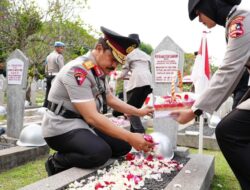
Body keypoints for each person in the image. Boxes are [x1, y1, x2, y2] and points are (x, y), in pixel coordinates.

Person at [42, 26, 155, 176]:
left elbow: (110, 99)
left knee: (123, 146)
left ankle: (89, 143)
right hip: (61, 127)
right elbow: (92, 117)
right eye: (113, 59)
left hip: (83, 124)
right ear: (99, 48)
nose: (115, 66)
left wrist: (139, 112)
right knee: (99, 153)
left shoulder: (98, 70)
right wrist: (131, 135)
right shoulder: (77, 70)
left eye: (118, 62)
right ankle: (55, 162)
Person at [171, 0, 250, 189]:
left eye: (198, 13)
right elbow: (237, 76)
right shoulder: (237, 20)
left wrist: (194, 111)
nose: (199, 20)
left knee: (228, 131)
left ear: (209, 5)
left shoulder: (240, 21)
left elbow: (228, 71)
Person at [116, 34, 152, 133]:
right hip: (148, 82)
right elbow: (145, 69)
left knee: (130, 110)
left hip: (137, 81)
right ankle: (134, 132)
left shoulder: (129, 54)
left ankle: (140, 131)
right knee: (136, 109)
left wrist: (117, 77)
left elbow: (124, 72)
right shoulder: (146, 55)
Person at [43, 41, 65, 107]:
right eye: (61, 48)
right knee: (56, 94)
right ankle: (52, 108)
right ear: (57, 48)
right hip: (56, 76)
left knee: (48, 92)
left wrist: (46, 75)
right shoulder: (59, 56)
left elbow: (46, 68)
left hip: (48, 76)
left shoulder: (48, 56)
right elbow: (62, 69)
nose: (62, 49)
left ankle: (45, 106)